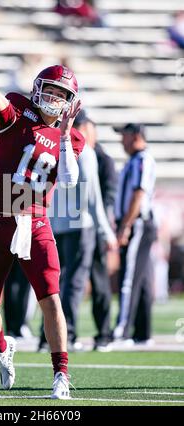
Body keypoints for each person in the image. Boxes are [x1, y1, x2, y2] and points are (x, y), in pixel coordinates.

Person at [0, 23, 85, 399]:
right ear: (37, 90)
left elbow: (70, 179)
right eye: (51, 91)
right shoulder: (18, 112)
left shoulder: (70, 136)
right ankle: (2, 347)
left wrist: (63, 136)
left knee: (51, 297)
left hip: (35, 219)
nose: (54, 99)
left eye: (63, 94)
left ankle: (60, 375)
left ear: (70, 101)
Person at [38, 110, 117, 353]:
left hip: (59, 225)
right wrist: (107, 232)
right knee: (74, 284)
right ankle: (67, 334)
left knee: (57, 284)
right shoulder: (85, 152)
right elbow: (92, 197)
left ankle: (47, 337)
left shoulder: (54, 148)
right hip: (81, 225)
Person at [113, 123, 157, 345]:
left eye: (125, 136)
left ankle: (122, 329)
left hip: (138, 223)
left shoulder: (142, 160)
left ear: (137, 136)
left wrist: (126, 226)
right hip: (136, 223)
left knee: (128, 278)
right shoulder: (134, 160)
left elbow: (139, 194)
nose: (122, 140)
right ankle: (142, 332)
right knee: (142, 279)